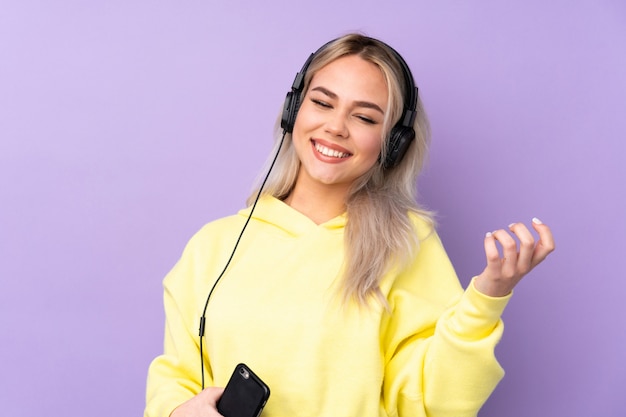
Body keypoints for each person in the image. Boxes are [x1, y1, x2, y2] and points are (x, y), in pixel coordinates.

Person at [144, 33, 555, 417]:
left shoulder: (406, 243)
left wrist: (487, 298)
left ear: (393, 142)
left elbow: (435, 401)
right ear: (293, 111)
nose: (336, 127)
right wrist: (177, 410)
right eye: (322, 103)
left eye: (365, 117)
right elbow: (174, 374)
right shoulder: (213, 245)